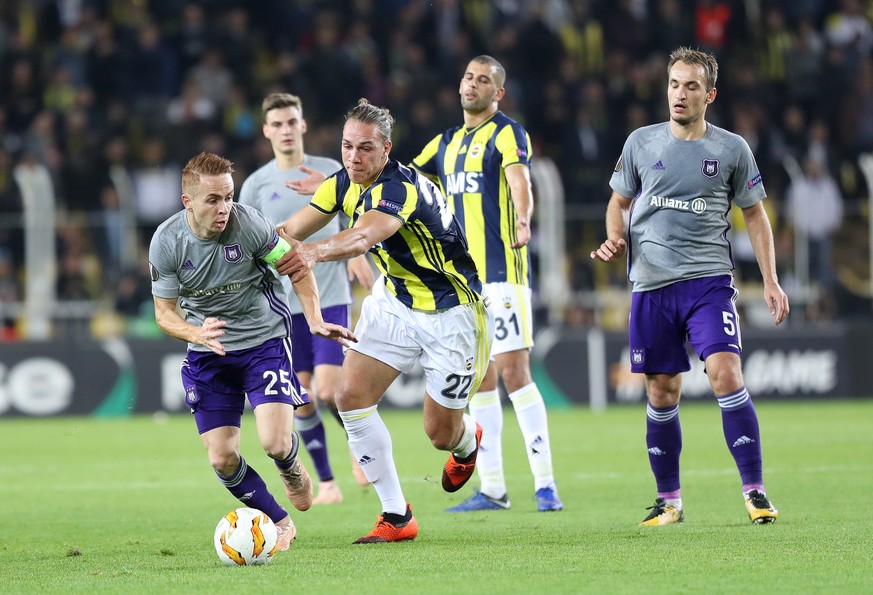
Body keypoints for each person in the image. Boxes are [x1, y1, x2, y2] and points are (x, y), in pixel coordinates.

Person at [275, 99, 494, 543]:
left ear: (386, 149)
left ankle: (468, 439)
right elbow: (290, 230)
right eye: (347, 147)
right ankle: (397, 516)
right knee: (350, 396)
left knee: (440, 434)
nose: (354, 158)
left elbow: (362, 236)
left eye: (365, 149)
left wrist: (311, 253)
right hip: (393, 302)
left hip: (450, 313)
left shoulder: (399, 189)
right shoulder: (343, 182)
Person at [590, 47, 790, 526]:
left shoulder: (731, 149)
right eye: (675, 84)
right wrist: (615, 236)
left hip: (708, 283)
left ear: (710, 94)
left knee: (726, 373)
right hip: (651, 285)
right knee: (662, 392)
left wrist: (771, 280)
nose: (680, 94)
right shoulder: (640, 142)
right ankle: (669, 501)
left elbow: (756, 215)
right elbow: (617, 202)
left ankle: (755, 491)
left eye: (692, 86)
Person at [149, 152, 356, 550]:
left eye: (228, 196)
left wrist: (312, 317)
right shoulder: (167, 242)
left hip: (263, 341)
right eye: (213, 200)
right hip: (209, 351)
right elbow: (164, 313)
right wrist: (196, 332)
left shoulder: (251, 224)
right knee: (222, 459)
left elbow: (297, 266)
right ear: (187, 201)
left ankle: (292, 467)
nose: (224, 207)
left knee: (275, 443)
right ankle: (280, 520)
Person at [411, 55, 563, 513]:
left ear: (498, 92)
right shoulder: (444, 144)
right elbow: (406, 180)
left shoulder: (507, 132)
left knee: (514, 372)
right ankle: (493, 488)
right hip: (463, 282)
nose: (473, 84)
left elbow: (520, 181)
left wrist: (523, 218)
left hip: (502, 274)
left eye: (484, 80)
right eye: (468, 76)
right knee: (481, 380)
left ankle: (546, 485)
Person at [239, 92, 374, 504]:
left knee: (331, 390)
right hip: (281, 307)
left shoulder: (333, 169)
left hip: (329, 293)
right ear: (266, 131)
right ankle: (328, 481)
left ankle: (360, 447)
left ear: (303, 125)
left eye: (291, 121)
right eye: (276, 124)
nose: (284, 130)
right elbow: (244, 238)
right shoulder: (256, 184)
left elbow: (361, 213)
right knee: (302, 400)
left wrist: (356, 254)